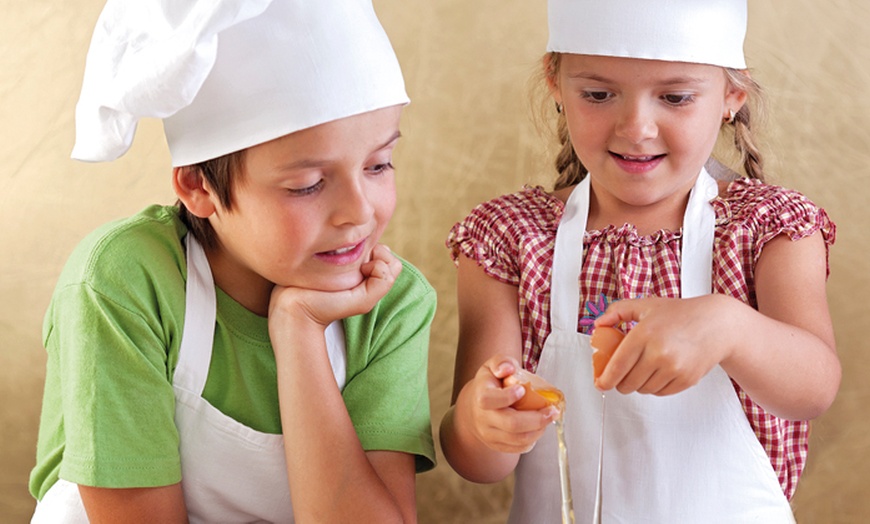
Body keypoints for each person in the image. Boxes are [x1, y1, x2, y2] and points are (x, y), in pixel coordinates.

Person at [29, 1, 436, 522]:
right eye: (307, 185)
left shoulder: (392, 300)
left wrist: (299, 329)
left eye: (379, 165)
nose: (358, 212)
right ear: (200, 187)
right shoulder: (124, 283)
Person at [439, 0, 839, 522]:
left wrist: (729, 324)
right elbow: (476, 460)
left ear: (731, 97)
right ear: (557, 84)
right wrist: (481, 421)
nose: (637, 127)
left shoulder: (765, 229)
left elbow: (813, 389)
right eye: (599, 94)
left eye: (674, 97)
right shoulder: (512, 238)